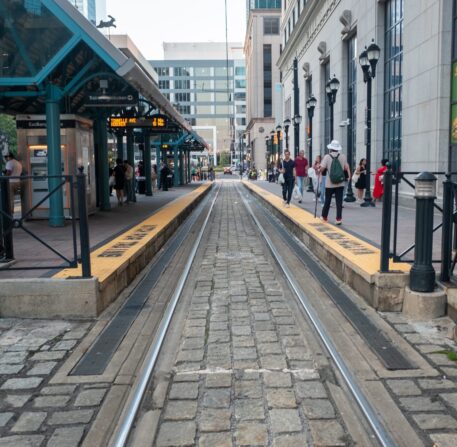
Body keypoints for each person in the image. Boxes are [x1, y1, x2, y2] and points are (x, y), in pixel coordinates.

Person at [320, 140, 350, 225]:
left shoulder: (327, 157)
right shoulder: (343, 156)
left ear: (331, 148)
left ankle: (324, 217)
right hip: (340, 182)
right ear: (338, 149)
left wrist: (319, 169)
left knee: (328, 200)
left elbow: (322, 168)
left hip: (330, 183)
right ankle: (338, 218)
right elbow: (345, 167)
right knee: (339, 201)